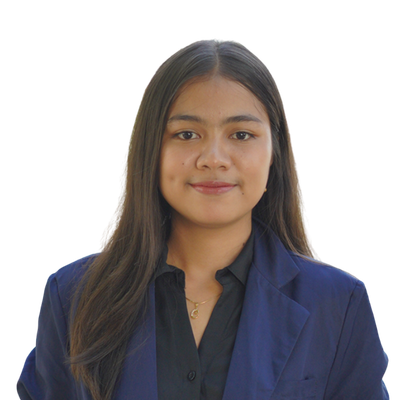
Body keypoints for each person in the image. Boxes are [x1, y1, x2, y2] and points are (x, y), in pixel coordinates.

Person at [16, 38, 390, 400]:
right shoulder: (74, 294)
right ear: (152, 148)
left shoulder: (337, 304)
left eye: (241, 134)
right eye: (187, 133)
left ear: (275, 151)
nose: (213, 158)